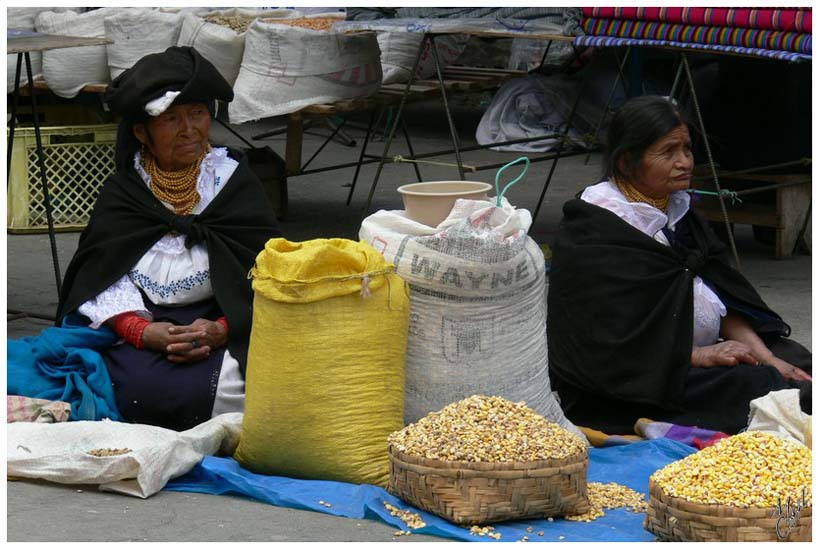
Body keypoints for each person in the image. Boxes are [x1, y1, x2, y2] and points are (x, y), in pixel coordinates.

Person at [45, 46, 280, 431]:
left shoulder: (232, 182)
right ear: (142, 132)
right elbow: (99, 270)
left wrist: (221, 327)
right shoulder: (125, 192)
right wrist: (140, 331)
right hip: (141, 318)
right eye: (171, 119)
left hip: (224, 319)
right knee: (122, 384)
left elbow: (271, 269)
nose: (190, 130)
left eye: (198, 114)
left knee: (244, 387)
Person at [547, 95, 811, 435]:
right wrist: (697, 356)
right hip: (631, 381)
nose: (684, 162)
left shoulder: (679, 213)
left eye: (687, 148)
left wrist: (766, 355)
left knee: (797, 364)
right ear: (627, 162)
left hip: (700, 352)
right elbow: (607, 346)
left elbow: (721, 295)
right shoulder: (595, 230)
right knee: (758, 386)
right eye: (668, 152)